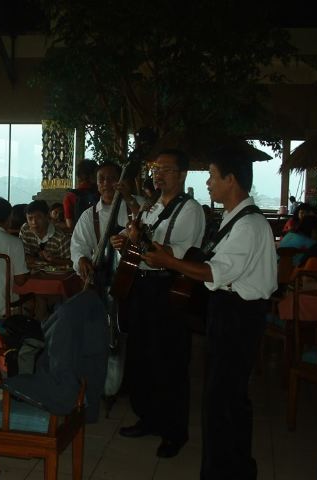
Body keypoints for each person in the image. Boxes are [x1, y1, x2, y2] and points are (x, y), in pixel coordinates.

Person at [142, 146, 277, 479]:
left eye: (213, 176)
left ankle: (225, 471)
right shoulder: (235, 218)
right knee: (225, 398)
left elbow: (215, 271)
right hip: (227, 311)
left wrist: (169, 261)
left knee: (224, 400)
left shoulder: (249, 225)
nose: (208, 183)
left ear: (231, 180)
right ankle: (234, 467)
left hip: (239, 315)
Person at [113, 150, 205, 459]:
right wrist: (124, 241)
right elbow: (135, 238)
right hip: (142, 286)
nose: (158, 174)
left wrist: (139, 241)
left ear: (182, 174)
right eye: (155, 169)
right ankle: (148, 417)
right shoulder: (150, 207)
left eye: (166, 169)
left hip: (169, 287)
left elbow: (177, 254)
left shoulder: (190, 210)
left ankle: (173, 431)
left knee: (170, 359)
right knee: (142, 356)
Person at [69, 161, 133, 284]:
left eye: (112, 178)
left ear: (121, 180)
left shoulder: (137, 205)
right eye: (101, 179)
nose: (106, 183)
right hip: (103, 279)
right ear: (96, 183)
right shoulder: (89, 215)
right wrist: (81, 259)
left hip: (134, 278)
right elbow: (78, 245)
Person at [19, 200, 70, 266]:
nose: (34, 222)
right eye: (30, 218)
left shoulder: (61, 237)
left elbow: (71, 262)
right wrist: (38, 261)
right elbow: (22, 255)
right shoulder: (25, 230)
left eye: (38, 217)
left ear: (47, 216)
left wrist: (53, 260)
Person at [63, 159, 99, 230]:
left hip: (81, 234)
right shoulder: (102, 193)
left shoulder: (70, 196)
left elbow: (70, 225)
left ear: (79, 176)